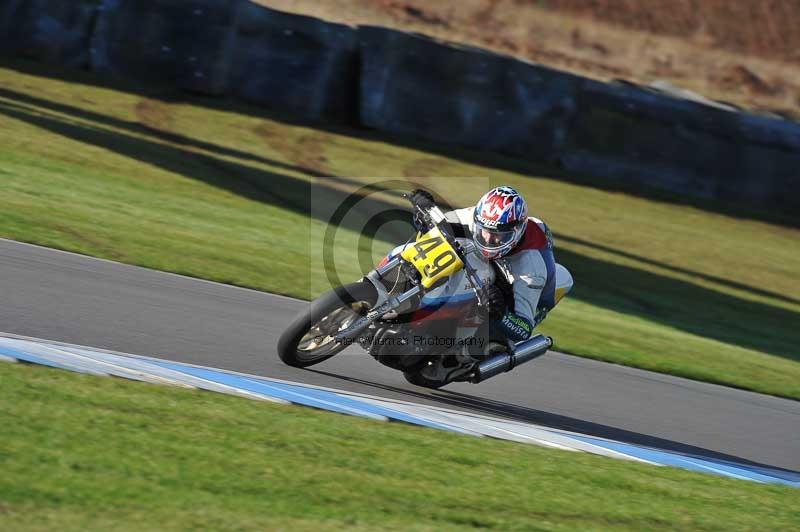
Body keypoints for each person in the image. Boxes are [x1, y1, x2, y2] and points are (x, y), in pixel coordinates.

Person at [409, 186, 556, 346]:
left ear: (517, 231)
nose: (488, 238)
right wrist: (425, 213)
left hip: (516, 277)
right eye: (484, 230)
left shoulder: (531, 268)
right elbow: (441, 228)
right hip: (498, 259)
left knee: (492, 314)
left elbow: (524, 329)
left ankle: (464, 350)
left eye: (497, 234)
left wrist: (501, 314)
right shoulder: (477, 216)